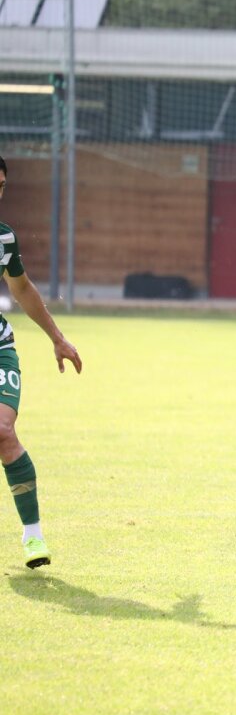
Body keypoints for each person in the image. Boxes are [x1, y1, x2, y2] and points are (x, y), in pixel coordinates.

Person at [0, 155, 84, 569]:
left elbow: (23, 289)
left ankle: (33, 537)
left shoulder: (3, 239)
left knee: (2, 430)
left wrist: (57, 337)